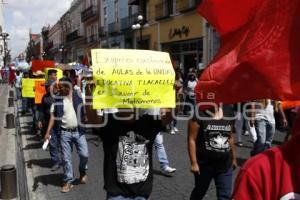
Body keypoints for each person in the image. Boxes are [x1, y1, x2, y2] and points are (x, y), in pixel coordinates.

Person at [87, 106, 172, 200]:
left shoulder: (147, 122)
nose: (129, 105)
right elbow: (92, 118)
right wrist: (89, 93)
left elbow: (170, 115)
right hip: (117, 194)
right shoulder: (109, 122)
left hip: (142, 194)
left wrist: (175, 94)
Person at [232, 110, 300, 200]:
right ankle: (257, 152)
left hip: (270, 119)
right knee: (261, 140)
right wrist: (252, 116)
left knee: (268, 140)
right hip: (260, 118)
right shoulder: (256, 171)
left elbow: (277, 107)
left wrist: (282, 117)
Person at [44, 77, 89, 193]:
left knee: (84, 154)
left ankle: (82, 170)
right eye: (60, 86)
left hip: (79, 131)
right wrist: (47, 132)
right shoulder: (57, 99)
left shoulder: (79, 96)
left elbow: (87, 108)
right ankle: (68, 181)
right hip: (64, 133)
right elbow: (53, 117)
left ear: (69, 86)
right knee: (66, 159)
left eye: (63, 86)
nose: (60, 88)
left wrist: (86, 115)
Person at [188, 104, 237, 200]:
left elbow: (230, 137)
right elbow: (191, 139)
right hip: (204, 165)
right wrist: (194, 163)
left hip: (225, 165)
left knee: (225, 196)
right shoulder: (200, 111)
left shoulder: (229, 111)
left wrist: (234, 158)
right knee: (199, 193)